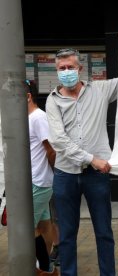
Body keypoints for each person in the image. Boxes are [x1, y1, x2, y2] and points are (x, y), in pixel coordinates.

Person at [45, 45, 118, 276]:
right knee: (67, 235)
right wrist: (91, 159)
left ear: (80, 69)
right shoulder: (53, 101)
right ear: (57, 71)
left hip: (96, 177)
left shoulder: (101, 90)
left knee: (104, 232)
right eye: (62, 68)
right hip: (65, 175)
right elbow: (58, 141)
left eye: (70, 67)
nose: (66, 71)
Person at [25, 80, 58, 276]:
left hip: (38, 181)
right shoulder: (28, 118)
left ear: (28, 96)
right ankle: (49, 269)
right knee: (44, 226)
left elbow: (51, 149)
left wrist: (53, 174)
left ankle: (44, 268)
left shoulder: (38, 118)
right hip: (37, 180)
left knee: (25, 227)